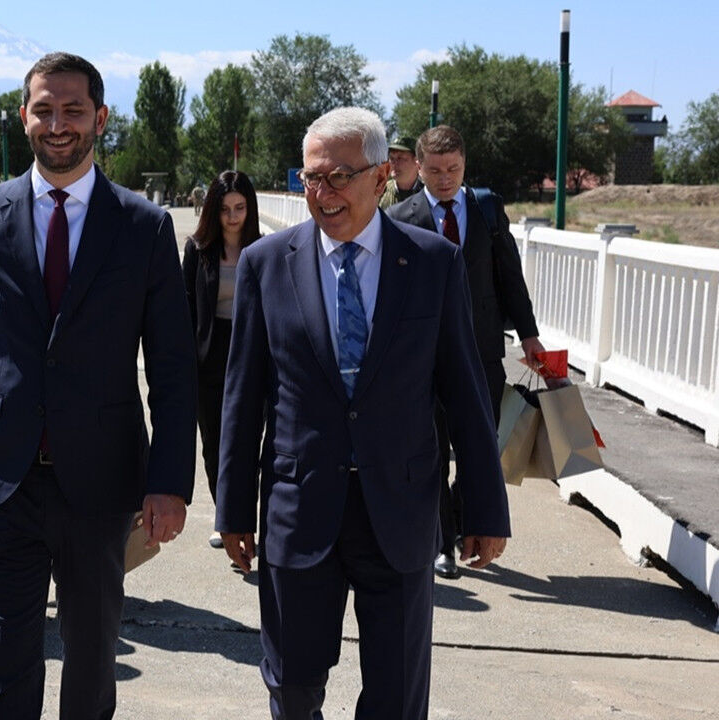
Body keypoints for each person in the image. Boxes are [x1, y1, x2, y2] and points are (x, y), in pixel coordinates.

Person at [0, 52, 196, 719]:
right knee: (5, 666)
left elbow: (172, 367)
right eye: (44, 109)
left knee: (92, 662)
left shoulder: (144, 227)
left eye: (73, 109)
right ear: (24, 117)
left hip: (100, 485)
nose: (58, 123)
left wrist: (169, 482)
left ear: (100, 118)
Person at [217, 107, 510, 720]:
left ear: (380, 178)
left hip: (400, 512)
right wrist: (234, 508)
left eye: (339, 177)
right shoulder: (266, 265)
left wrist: (484, 507)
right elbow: (244, 397)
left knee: (396, 699)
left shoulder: (433, 263)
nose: (322, 193)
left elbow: (465, 394)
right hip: (300, 511)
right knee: (293, 689)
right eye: (311, 178)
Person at [387, 124, 544, 579]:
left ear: (464, 165)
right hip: (423, 358)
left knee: (481, 444)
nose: (445, 179)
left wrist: (529, 335)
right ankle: (442, 544)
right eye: (435, 170)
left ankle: (456, 520)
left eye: (453, 169)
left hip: (481, 351)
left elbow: (510, 277)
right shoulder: (399, 218)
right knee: (433, 450)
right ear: (419, 168)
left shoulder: (486, 209)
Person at [181, 170, 261, 548]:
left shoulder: (263, 250)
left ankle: (246, 520)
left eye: (240, 208)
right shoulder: (197, 251)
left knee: (247, 443)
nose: (232, 217)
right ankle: (224, 518)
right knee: (214, 444)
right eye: (225, 209)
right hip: (209, 359)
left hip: (251, 355)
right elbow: (184, 308)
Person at [378, 134, 423, 209]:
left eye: (400, 158)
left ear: (416, 161)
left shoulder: (429, 194)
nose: (394, 163)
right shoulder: (380, 191)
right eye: (391, 158)